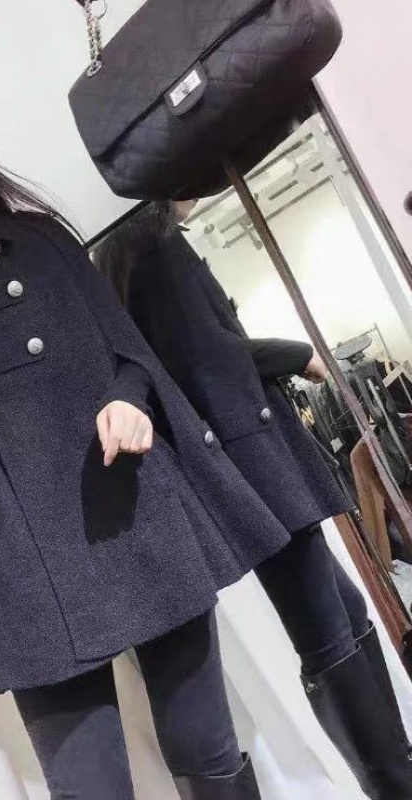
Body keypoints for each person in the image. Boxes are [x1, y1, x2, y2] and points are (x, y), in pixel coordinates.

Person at [0, 54, 300, 799]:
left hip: (132, 511)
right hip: (18, 567)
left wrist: (128, 401)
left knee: (206, 746)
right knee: (89, 786)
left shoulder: (41, 242)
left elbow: (130, 357)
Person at [95, 199, 412, 800]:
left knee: (343, 617)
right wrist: (296, 353)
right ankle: (393, 783)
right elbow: (206, 358)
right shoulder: (153, 247)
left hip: (245, 455)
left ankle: (397, 771)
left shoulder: (128, 249)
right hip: (252, 459)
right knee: (328, 631)